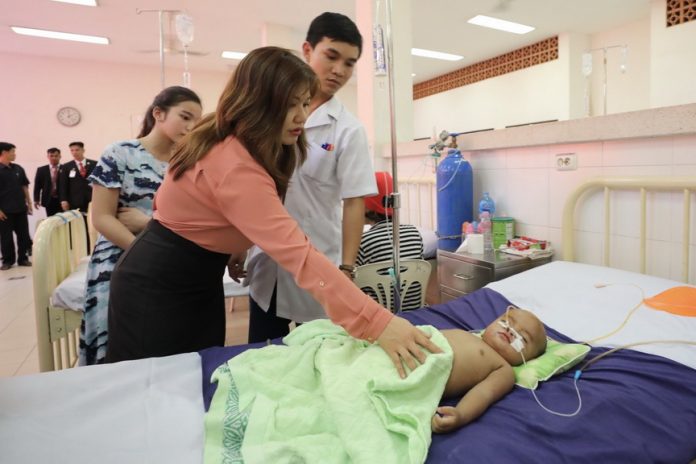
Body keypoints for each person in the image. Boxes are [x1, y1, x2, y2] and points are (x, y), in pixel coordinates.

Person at [106, 47, 441, 379]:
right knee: (154, 389)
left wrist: (232, 243)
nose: (301, 116)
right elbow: (299, 254)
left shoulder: (244, 143)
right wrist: (380, 323)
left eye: (304, 103)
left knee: (197, 382)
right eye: (289, 105)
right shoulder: (233, 162)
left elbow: (208, 207)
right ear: (257, 103)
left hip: (199, 278)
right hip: (160, 286)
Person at [246, 12, 377, 343]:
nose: (339, 71)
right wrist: (238, 247)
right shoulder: (270, 113)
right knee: (263, 355)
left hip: (320, 265)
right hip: (268, 262)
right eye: (331, 56)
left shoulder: (348, 129)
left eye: (349, 63)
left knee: (320, 355)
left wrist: (347, 269)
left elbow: (354, 201)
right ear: (307, 50)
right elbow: (249, 188)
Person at [78, 86, 203, 365]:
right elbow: (102, 218)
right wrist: (145, 252)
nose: (191, 126)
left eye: (197, 120)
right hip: (119, 261)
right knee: (114, 349)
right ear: (158, 113)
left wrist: (146, 225)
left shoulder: (188, 163)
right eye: (185, 117)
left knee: (161, 346)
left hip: (168, 263)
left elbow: (189, 221)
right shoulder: (121, 153)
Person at [432, 306, 547, 433]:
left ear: (529, 359)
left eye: (523, 338)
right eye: (505, 322)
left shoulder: (503, 369)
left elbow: (483, 394)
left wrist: (461, 414)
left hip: (423, 371)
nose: (510, 330)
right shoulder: (468, 334)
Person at [356, 171, 425, 310]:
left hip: (379, 320)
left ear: (367, 206)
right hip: (416, 315)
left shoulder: (363, 242)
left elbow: (353, 286)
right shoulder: (414, 234)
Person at [0, 142, 33, 270]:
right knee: (6, 237)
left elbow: (24, 186)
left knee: (23, 235)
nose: (15, 154)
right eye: (12, 151)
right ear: (4, 153)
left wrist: (29, 202)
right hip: (4, 211)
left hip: (20, 208)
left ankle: (23, 259)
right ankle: (7, 261)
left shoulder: (18, 168)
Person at [59, 141, 96, 213]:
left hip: (92, 198)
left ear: (83, 150)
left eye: (77, 150)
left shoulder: (94, 164)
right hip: (74, 200)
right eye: (72, 150)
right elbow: (63, 185)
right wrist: (63, 200)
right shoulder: (66, 166)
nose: (74, 152)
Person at [33, 147, 62, 216]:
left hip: (62, 199)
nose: (54, 158)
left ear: (60, 156)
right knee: (50, 220)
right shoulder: (41, 170)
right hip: (48, 199)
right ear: (48, 157)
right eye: (51, 156)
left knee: (63, 221)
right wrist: (36, 199)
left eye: (56, 156)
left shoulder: (65, 168)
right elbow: (37, 185)